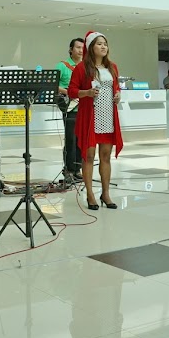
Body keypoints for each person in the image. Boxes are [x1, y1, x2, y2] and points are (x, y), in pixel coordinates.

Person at [68, 31, 123, 210]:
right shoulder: (82, 68)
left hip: (108, 115)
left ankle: (105, 193)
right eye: (99, 43)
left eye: (105, 44)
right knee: (89, 156)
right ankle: (90, 194)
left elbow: (116, 88)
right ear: (91, 47)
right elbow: (72, 91)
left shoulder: (112, 67)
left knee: (105, 156)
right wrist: (87, 93)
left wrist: (118, 95)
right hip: (90, 117)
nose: (103, 46)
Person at [56, 37, 86, 182]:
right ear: (71, 50)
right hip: (70, 106)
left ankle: (77, 168)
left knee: (82, 140)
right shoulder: (63, 66)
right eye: (78, 47)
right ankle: (68, 169)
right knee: (71, 139)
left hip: (84, 107)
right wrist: (68, 92)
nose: (81, 50)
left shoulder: (87, 66)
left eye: (83, 48)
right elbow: (52, 84)